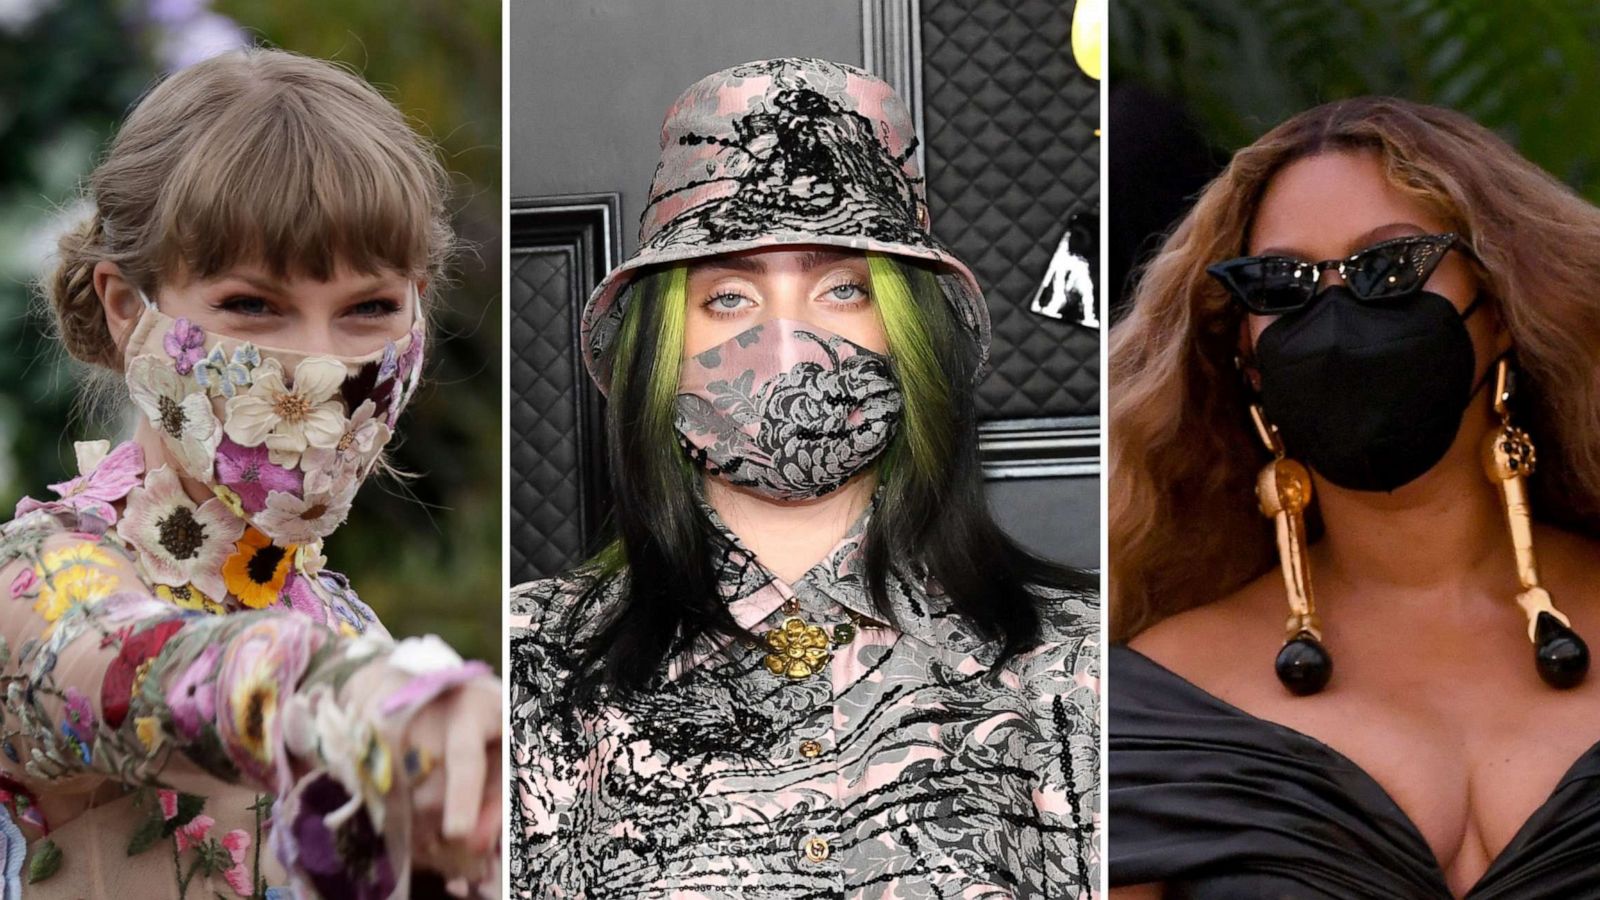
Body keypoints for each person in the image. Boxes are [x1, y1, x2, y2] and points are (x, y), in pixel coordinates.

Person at [508, 58, 1099, 898]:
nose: (789, 340)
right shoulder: (527, 666)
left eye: (842, 288)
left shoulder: (1077, 667)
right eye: (729, 299)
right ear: (658, 355)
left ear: (911, 336)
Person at [4, 49, 501, 898]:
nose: (319, 361)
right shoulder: (34, 581)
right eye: (251, 305)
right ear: (127, 308)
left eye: (370, 308)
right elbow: (124, 668)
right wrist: (360, 699)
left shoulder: (343, 612)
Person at [1107, 97, 1600, 897]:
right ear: (1246, 355)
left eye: (1390, 267)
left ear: (1504, 308)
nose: (1336, 318)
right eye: (1282, 284)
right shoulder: (1151, 706)